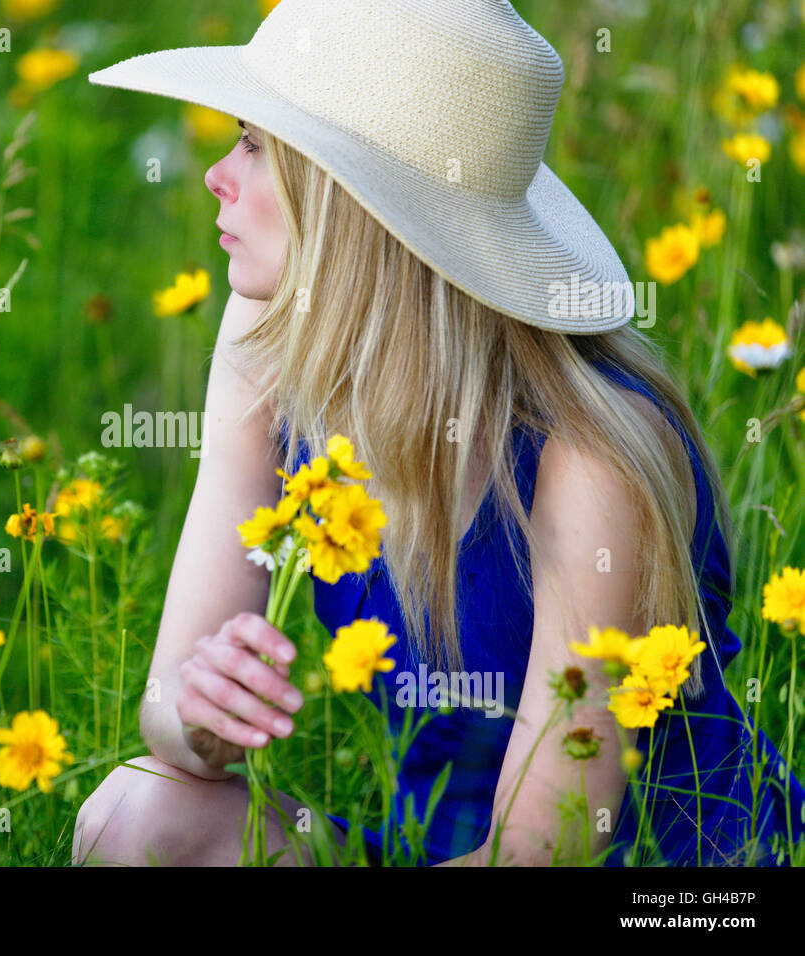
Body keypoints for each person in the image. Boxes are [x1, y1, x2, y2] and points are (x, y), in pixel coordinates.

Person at [73, 0, 805, 866]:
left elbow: (544, 851)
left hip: (661, 883)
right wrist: (201, 718)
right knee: (136, 814)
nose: (217, 177)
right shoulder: (267, 346)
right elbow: (166, 705)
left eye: (259, 144)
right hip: (437, 853)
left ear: (358, 206)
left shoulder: (588, 458)